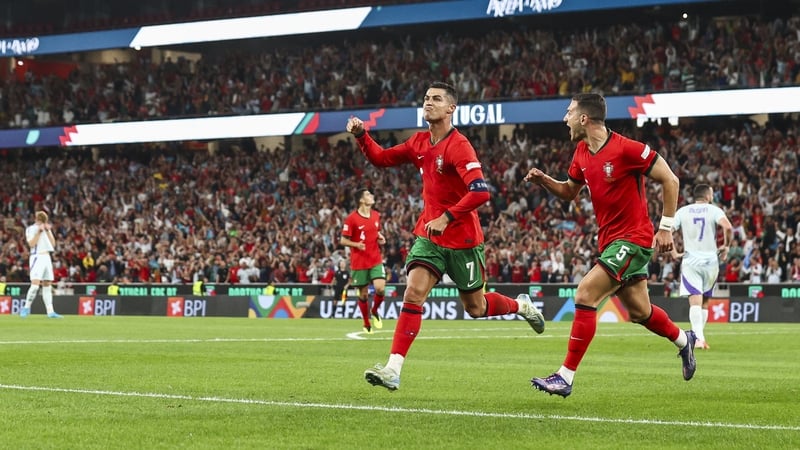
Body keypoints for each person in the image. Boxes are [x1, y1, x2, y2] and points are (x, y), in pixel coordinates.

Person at [346, 81, 545, 391]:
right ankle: (393, 369)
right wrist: (362, 135)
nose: (428, 102)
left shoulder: (459, 146)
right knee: (413, 293)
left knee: (476, 308)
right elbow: (381, 159)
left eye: (436, 99)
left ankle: (521, 306)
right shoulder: (418, 142)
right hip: (430, 237)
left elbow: (480, 192)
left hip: (464, 240)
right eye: (426, 98)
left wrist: (448, 216)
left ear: (451, 108)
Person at [524, 92, 695, 398]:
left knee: (586, 293)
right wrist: (544, 181)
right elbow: (569, 193)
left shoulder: (626, 149)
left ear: (584, 118)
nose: (565, 118)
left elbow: (671, 180)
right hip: (610, 242)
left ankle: (565, 376)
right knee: (640, 311)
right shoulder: (580, 152)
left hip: (633, 239)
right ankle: (684, 340)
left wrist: (666, 228)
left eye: (569, 112)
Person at [671, 184, 732, 350]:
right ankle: (700, 337)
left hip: (691, 261)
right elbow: (727, 226)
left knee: (695, 301)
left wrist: (674, 252)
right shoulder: (713, 210)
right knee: (705, 301)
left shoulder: (683, 211)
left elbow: (668, 230)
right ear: (708, 195)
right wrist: (726, 246)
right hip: (711, 262)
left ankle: (698, 338)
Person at [340, 188, 387, 334]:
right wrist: (356, 245)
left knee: (380, 288)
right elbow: (343, 240)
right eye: (368, 194)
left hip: (375, 258)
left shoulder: (376, 215)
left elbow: (375, 230)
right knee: (364, 294)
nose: (371, 196)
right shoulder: (351, 219)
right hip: (359, 262)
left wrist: (380, 236)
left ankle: (374, 311)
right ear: (361, 200)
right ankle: (366, 323)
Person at [20, 211, 63, 318]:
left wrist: (48, 231)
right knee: (35, 285)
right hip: (37, 257)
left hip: (47, 257)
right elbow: (31, 244)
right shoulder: (31, 229)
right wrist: (39, 232)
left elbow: (53, 244)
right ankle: (26, 308)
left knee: (47, 284)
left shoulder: (47, 229)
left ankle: (50, 312)